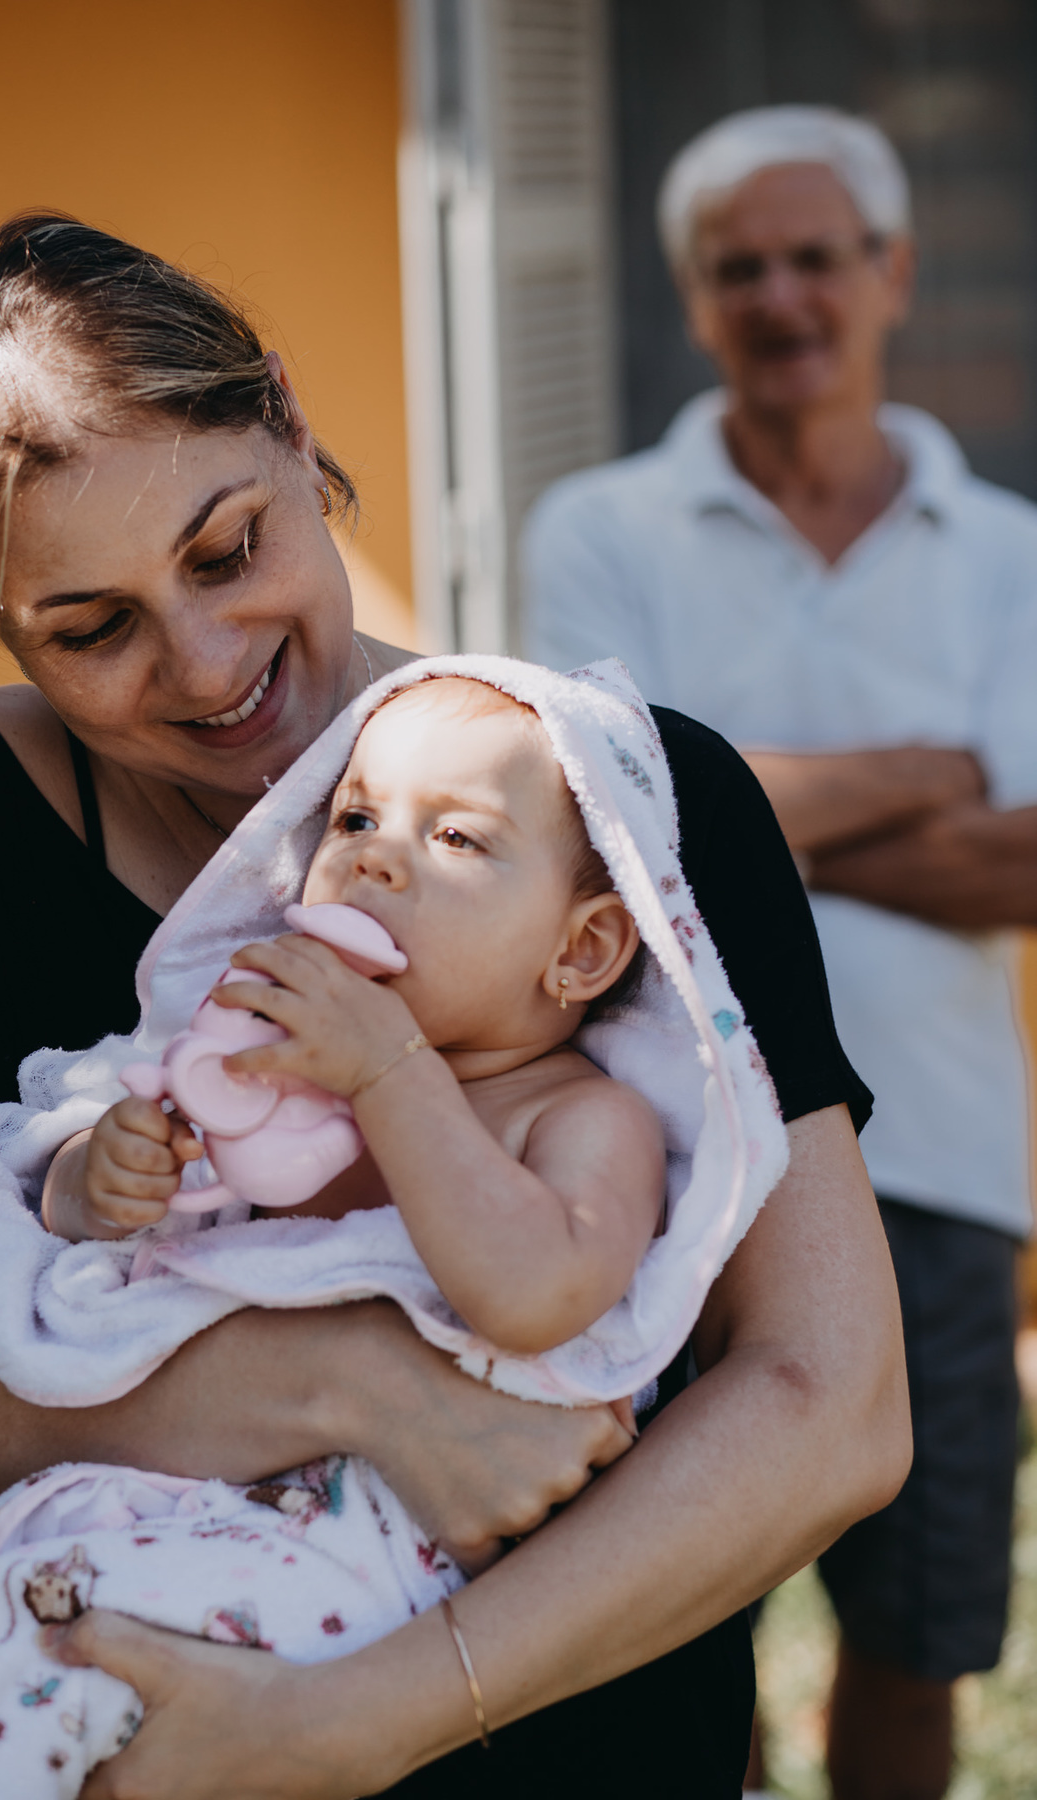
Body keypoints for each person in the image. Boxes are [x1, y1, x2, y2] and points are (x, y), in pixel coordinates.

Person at [0, 212, 906, 1800]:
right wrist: (365, 1388)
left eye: (227, 549)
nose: (203, 668)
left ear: (287, 420)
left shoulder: (632, 809)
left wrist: (371, 1716)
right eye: (92, 628)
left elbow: (831, 1411)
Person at [522, 105, 1037, 1800]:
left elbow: (1025, 866)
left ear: (891, 274)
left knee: (918, 1629)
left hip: (945, 1174)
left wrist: (723, 799)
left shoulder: (1015, 559)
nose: (782, 295)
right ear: (694, 301)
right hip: (657, 1170)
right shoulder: (599, 530)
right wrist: (915, 773)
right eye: (739, 268)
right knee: (669, 1624)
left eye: (818, 257)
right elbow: (593, 821)